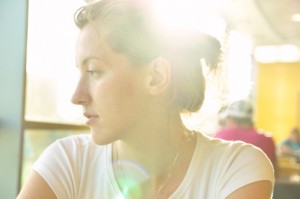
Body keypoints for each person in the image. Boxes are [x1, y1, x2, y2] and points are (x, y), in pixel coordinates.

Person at [18, 0, 274, 198]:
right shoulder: (68, 161)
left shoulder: (236, 169)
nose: (76, 96)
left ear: (155, 77)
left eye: (94, 71)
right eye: (80, 72)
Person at [214, 100, 278, 174]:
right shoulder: (267, 139)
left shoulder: (221, 136)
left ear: (231, 119)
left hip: (229, 184)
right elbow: (275, 171)